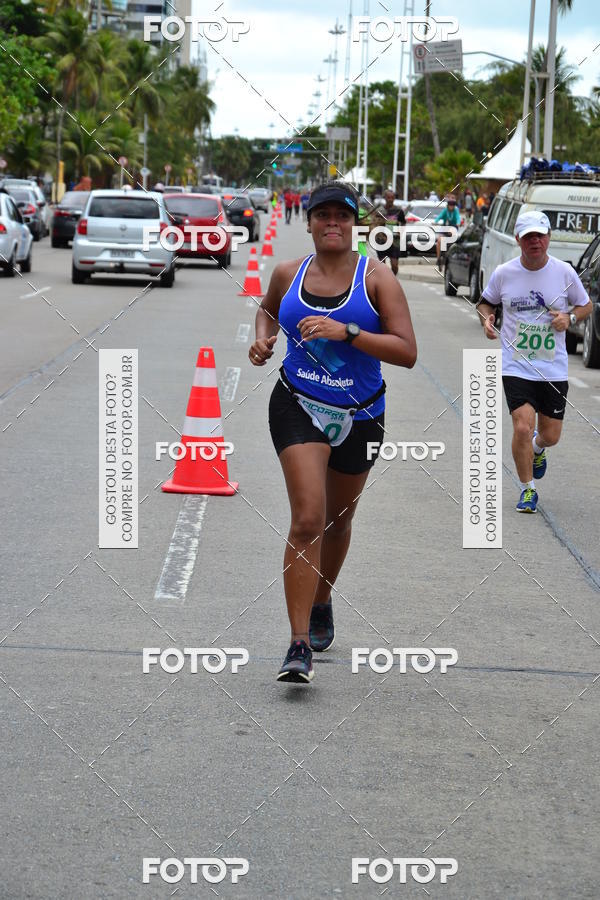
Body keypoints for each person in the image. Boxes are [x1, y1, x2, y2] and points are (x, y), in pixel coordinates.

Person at [248, 181, 417, 683]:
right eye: (322, 215)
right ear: (309, 223)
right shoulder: (288, 273)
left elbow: (407, 352)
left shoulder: (377, 279)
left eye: (342, 216)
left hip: (361, 414)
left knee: (338, 523)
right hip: (297, 404)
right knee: (308, 519)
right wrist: (262, 339)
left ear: (354, 224)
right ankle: (298, 644)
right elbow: (266, 310)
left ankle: (322, 598)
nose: (332, 224)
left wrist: (349, 332)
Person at [477, 210, 591, 513]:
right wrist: (486, 319)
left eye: (540, 235)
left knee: (550, 435)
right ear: (518, 240)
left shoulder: (564, 273)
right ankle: (528, 489)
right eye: (529, 237)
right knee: (522, 428)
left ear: (549, 237)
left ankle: (539, 449)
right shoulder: (504, 273)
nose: (535, 241)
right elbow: (485, 302)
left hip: (553, 367)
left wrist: (569, 318)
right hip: (516, 365)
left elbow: (586, 305)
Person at [371, 189, 406, 276]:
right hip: (381, 240)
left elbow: (403, 222)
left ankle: (392, 278)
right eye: (388, 197)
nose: (390, 199)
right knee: (381, 265)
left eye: (392, 197)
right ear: (385, 198)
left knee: (394, 265)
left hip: (394, 241)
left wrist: (400, 232)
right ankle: (384, 280)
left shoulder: (398, 211)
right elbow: (374, 223)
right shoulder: (379, 210)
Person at [434, 194, 461, 266]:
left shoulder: (456, 211)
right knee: (439, 241)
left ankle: (450, 253)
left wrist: (458, 223)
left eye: (453, 205)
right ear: (448, 205)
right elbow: (439, 216)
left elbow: (458, 218)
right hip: (445, 228)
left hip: (453, 228)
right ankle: (438, 258)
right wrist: (435, 221)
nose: (451, 206)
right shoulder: (445, 211)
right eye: (450, 205)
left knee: (454, 240)